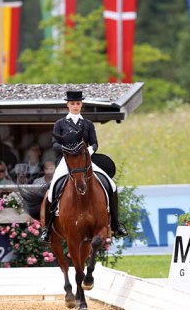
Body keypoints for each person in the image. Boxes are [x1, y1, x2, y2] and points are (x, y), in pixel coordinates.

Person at [39, 90, 128, 243]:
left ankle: (116, 224)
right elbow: (54, 144)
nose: (75, 106)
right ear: (68, 104)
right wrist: (67, 151)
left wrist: (88, 152)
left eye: (78, 104)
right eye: (72, 104)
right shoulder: (60, 124)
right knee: (53, 189)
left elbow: (94, 143)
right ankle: (47, 229)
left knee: (111, 185)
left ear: (81, 105)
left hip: (85, 161)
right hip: (66, 161)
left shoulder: (87, 124)